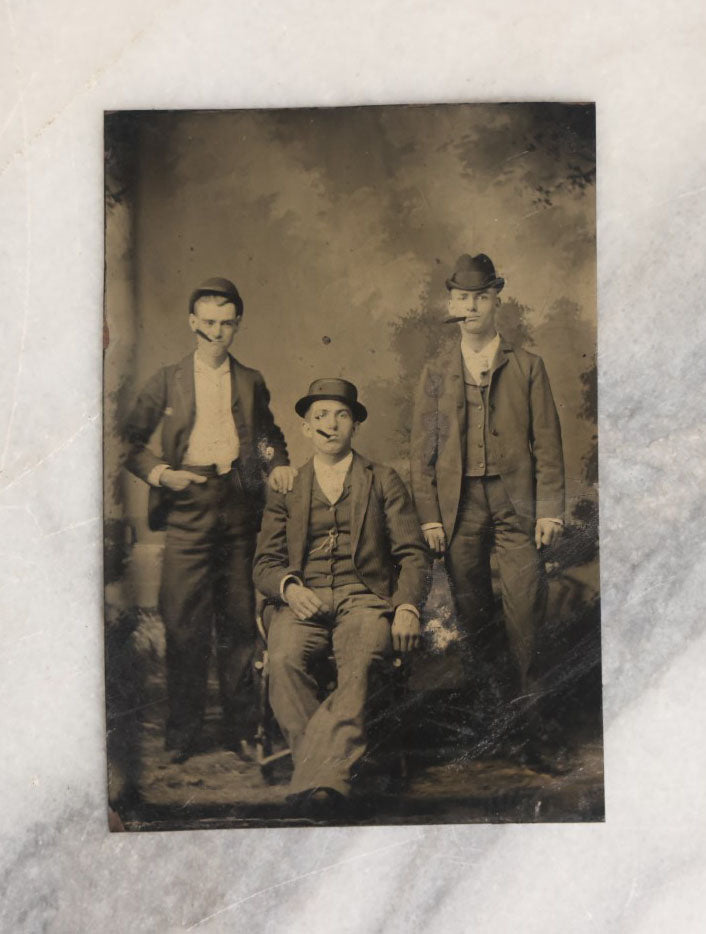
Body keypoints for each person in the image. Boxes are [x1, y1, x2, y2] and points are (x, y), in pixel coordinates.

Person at [123, 276, 295, 763]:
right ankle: (182, 733)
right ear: (192, 323)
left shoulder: (250, 380)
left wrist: (276, 462)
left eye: (226, 324)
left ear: (237, 325)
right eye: (208, 324)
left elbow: (267, 436)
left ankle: (242, 729)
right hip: (188, 505)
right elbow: (126, 440)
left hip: (239, 505)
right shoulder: (167, 379)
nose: (216, 333)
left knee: (239, 619)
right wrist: (160, 474)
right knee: (183, 622)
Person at [410, 253, 567, 772]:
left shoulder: (527, 366)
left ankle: (536, 732)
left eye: (480, 296)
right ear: (451, 305)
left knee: (526, 615)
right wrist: (431, 516)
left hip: (516, 505)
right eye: (461, 297)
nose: (471, 306)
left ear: (497, 300)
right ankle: (492, 727)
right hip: (459, 510)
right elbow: (422, 457)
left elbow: (547, 443)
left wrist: (548, 510)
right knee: (475, 621)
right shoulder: (436, 373)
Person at [253, 378, 431, 812]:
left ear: (355, 425)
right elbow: (264, 563)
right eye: (320, 417)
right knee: (282, 661)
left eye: (341, 415)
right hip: (303, 599)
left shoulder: (383, 480)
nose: (330, 425)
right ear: (305, 429)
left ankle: (315, 780)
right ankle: (332, 774)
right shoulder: (288, 486)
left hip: (364, 598)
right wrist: (290, 588)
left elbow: (412, 553)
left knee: (362, 661)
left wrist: (406, 606)